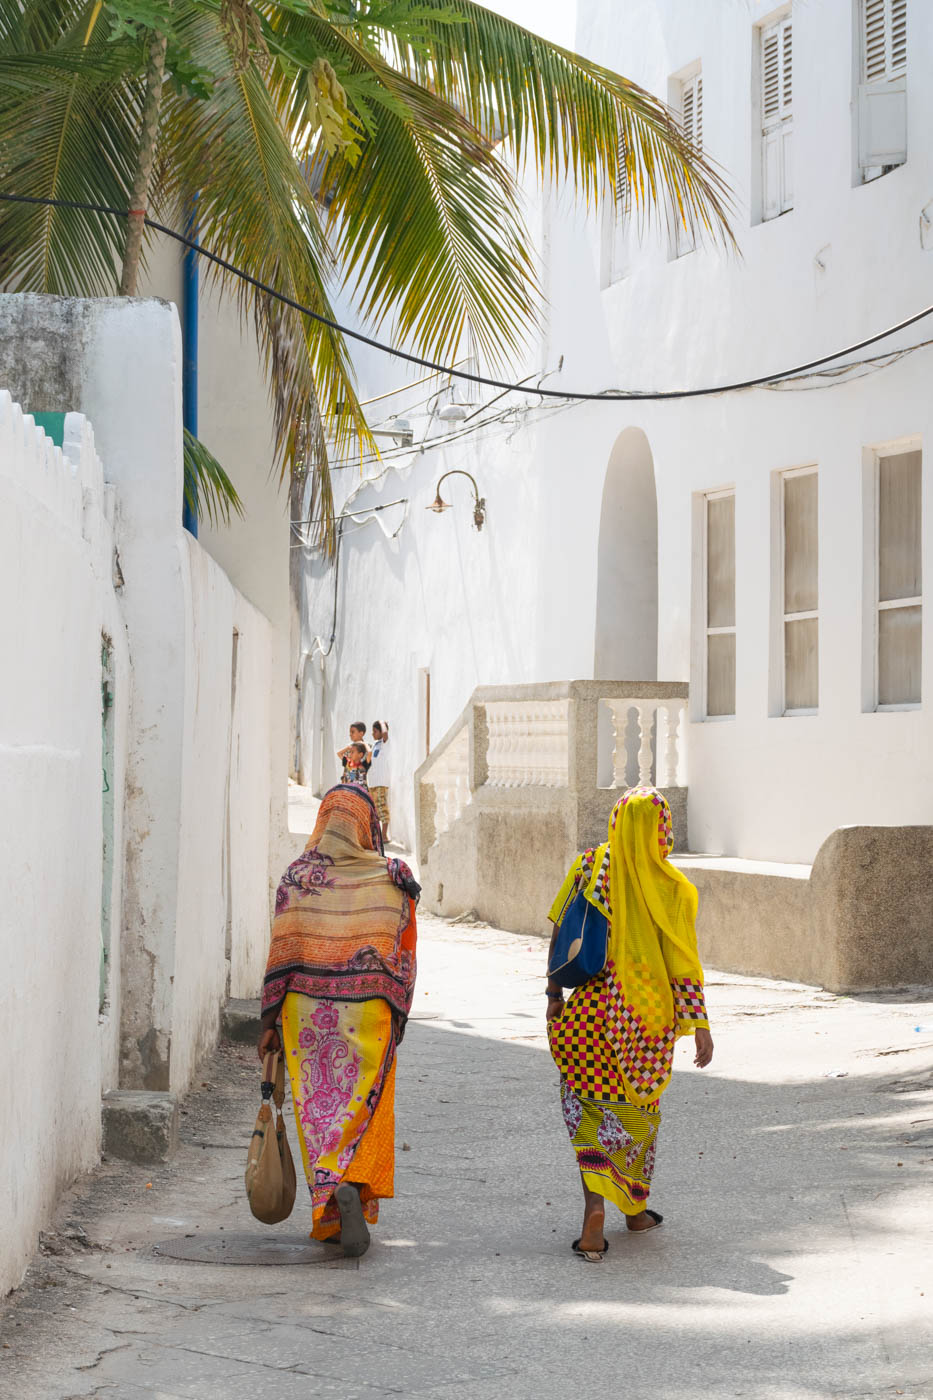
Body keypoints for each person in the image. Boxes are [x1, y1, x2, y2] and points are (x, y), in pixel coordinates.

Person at [545, 786, 714, 1262]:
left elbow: (560, 927)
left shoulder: (588, 866)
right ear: (661, 829)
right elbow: (683, 965)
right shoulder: (672, 888)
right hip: (643, 1024)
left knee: (589, 1118)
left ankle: (594, 1215)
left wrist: (554, 995)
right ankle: (635, 1210)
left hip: (588, 1019)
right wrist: (699, 1024)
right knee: (638, 1120)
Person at [258, 784, 420, 1257]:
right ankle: (356, 1183)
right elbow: (404, 953)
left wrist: (268, 1022)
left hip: (305, 1013)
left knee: (319, 1108)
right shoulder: (393, 877)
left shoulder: (297, 877)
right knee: (365, 1105)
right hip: (370, 1011)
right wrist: (399, 1009)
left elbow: (280, 954)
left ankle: (329, 1205)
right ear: (367, 827)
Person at [367, 721, 391, 843]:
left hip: (381, 782)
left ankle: (384, 835)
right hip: (372, 782)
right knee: (374, 810)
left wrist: (382, 723)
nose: (372, 733)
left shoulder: (384, 744)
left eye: (375, 731)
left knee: (382, 808)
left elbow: (385, 733)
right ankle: (376, 835)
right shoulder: (375, 744)